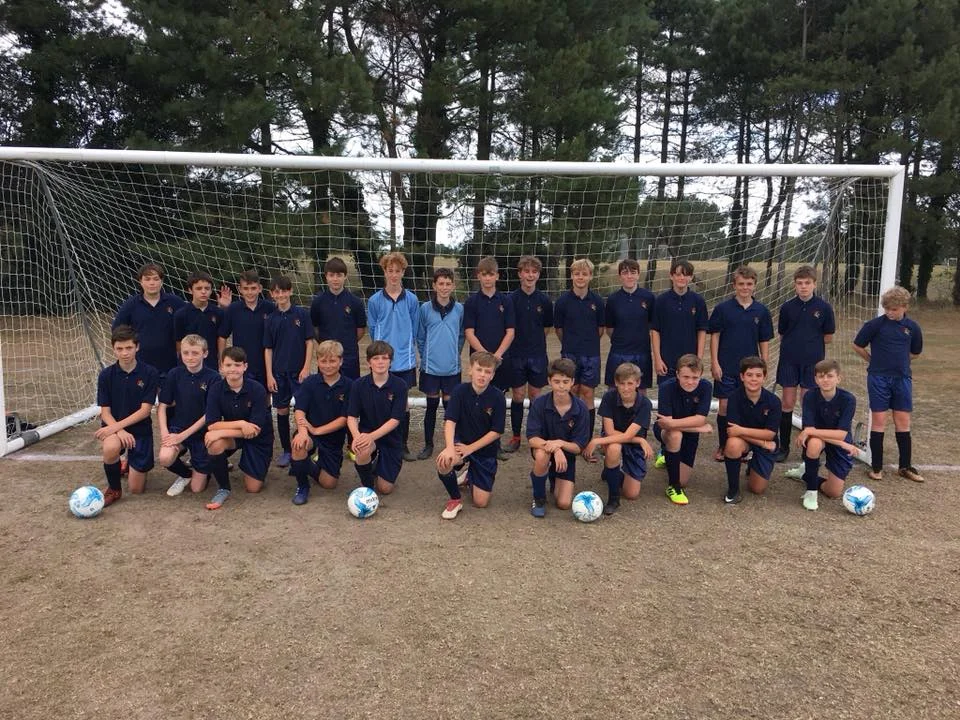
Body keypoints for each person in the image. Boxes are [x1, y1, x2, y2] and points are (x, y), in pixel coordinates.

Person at [852, 285, 924, 482]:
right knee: (879, 421)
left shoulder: (912, 328)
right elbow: (857, 345)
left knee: (903, 421)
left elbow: (915, 352)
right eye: (887, 309)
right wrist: (872, 360)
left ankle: (905, 467)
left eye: (894, 309)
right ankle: (877, 468)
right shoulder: (875, 325)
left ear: (905, 307)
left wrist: (900, 362)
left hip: (902, 379)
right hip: (878, 379)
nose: (890, 312)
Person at [708, 265, 774, 462]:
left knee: (747, 406)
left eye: (749, 284)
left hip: (750, 370)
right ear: (734, 285)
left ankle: (745, 447)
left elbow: (764, 340)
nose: (745, 287)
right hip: (726, 366)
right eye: (741, 284)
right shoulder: (722, 309)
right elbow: (715, 337)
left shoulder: (761, 311)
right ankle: (724, 445)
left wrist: (764, 364)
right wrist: (714, 362)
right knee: (725, 406)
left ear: (754, 285)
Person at [649, 259, 708, 468]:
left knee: (689, 406)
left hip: (690, 366)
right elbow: (655, 330)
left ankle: (684, 448)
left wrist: (698, 358)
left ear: (690, 277)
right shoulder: (661, 300)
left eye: (686, 274)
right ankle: (664, 448)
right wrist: (658, 358)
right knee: (668, 406)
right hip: (667, 362)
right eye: (678, 273)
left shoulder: (698, 301)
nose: (682, 277)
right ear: (671, 276)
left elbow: (702, 330)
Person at [775, 265, 835, 463]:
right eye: (799, 283)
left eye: (807, 283)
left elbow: (828, 337)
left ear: (814, 284)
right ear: (795, 285)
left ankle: (808, 447)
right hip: (789, 361)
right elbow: (782, 333)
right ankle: (783, 447)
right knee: (787, 402)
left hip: (812, 363)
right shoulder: (787, 307)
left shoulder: (824, 308)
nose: (803, 287)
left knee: (808, 403)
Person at [435, 351, 506, 520]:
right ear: (470, 370)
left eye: (487, 372)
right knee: (444, 461)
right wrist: (450, 448)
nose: (482, 375)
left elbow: (496, 431)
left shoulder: (498, 397)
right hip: (461, 444)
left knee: (480, 502)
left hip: (484, 450)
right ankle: (455, 499)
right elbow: (450, 421)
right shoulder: (459, 391)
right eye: (479, 369)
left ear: (492, 375)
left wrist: (471, 448)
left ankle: (470, 475)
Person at [95, 325, 160, 507]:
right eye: (120, 348)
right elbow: (105, 412)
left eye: (129, 348)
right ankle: (114, 489)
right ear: (113, 349)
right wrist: (119, 431)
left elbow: (145, 411)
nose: (124, 353)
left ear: (137, 347)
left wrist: (118, 428)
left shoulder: (150, 373)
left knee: (136, 489)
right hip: (114, 427)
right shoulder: (106, 375)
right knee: (110, 447)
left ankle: (130, 462)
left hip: (140, 430)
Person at [203, 347, 274, 510]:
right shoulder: (215, 389)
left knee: (253, 488)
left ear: (245, 366)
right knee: (214, 444)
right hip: (238, 434)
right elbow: (212, 424)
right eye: (228, 365)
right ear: (221, 367)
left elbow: (255, 429)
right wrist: (241, 423)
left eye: (237, 364)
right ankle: (223, 488)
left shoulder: (257, 389)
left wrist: (220, 432)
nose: (233, 369)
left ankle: (252, 465)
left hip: (259, 438)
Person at [366, 252, 419, 461]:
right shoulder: (375, 300)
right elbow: (372, 329)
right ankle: (381, 443)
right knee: (381, 401)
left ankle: (402, 445)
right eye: (390, 271)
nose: (394, 275)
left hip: (405, 361)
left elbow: (415, 329)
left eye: (398, 271)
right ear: (384, 272)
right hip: (382, 360)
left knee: (402, 404)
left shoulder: (412, 299)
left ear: (403, 272)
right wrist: (381, 354)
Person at [583, 362, 654, 515]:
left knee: (631, 494)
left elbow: (628, 435)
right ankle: (613, 499)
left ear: (638, 383)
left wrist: (596, 440)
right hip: (613, 439)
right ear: (616, 383)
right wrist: (640, 439)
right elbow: (609, 432)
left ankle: (611, 472)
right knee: (614, 448)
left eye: (630, 383)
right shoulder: (609, 397)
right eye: (622, 383)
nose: (626, 388)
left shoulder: (644, 403)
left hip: (633, 443)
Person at [525, 358, 591, 518]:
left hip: (567, 457)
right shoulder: (539, 403)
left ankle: (554, 478)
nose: (561, 386)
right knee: (542, 455)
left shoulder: (581, 408)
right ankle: (539, 498)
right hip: (544, 450)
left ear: (572, 382)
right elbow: (532, 439)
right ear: (549, 381)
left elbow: (578, 446)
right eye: (556, 381)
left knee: (563, 504)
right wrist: (555, 449)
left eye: (565, 382)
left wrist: (559, 444)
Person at [157, 334, 220, 497]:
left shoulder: (213, 378)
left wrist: (182, 436)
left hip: (202, 433)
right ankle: (186, 474)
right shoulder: (174, 374)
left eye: (195, 353)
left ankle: (205, 468)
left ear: (205, 353)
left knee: (197, 489)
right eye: (186, 353)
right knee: (165, 457)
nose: (190, 357)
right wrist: (165, 433)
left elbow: (209, 413)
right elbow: (162, 406)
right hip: (178, 428)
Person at [289, 340, 352, 505]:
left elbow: (344, 419)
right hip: (310, 433)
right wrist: (303, 432)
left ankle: (304, 464)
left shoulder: (349, 386)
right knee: (299, 444)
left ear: (341, 361)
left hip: (332, 438)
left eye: (332, 361)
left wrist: (317, 430)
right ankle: (303, 486)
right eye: (323, 361)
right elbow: (299, 410)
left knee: (329, 484)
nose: (328, 365)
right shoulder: (310, 382)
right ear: (317, 361)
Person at [553, 258, 605, 453]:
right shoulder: (562, 302)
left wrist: (587, 343)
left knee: (588, 393)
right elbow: (558, 330)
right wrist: (571, 345)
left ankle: (587, 439)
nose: (580, 277)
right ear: (572, 276)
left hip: (591, 354)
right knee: (571, 391)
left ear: (590, 276)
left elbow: (600, 330)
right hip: (569, 354)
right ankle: (569, 436)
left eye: (584, 274)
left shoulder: (597, 302)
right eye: (577, 274)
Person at [346, 340, 409, 496]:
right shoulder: (358, 385)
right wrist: (357, 437)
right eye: (375, 358)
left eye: (384, 358)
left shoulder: (400, 385)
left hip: (391, 438)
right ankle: (368, 487)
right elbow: (351, 416)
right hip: (367, 433)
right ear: (369, 362)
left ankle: (377, 468)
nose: (380, 362)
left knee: (385, 489)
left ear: (390, 361)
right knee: (362, 449)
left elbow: (395, 420)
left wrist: (371, 437)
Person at [264, 275, 314, 468]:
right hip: (279, 373)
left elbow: (309, 342)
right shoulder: (270, 319)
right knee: (282, 410)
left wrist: (306, 367)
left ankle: (308, 446)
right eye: (277, 292)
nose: (281, 295)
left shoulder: (302, 314)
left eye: (284, 291)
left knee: (303, 409)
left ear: (290, 291)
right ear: (272, 294)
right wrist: (269, 374)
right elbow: (268, 349)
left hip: (298, 372)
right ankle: (286, 450)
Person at [796, 359, 860, 511]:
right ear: (815, 379)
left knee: (833, 492)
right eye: (821, 376)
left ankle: (805, 474)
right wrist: (842, 443)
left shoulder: (848, 399)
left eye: (830, 376)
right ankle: (811, 492)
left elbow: (841, 434)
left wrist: (811, 431)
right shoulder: (810, 396)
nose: (825, 380)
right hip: (820, 440)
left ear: (838, 378)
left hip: (836, 439)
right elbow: (809, 429)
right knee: (814, 443)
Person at [415, 267, 465, 460]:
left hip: (451, 368)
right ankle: (428, 445)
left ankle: (452, 444)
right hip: (431, 368)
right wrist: (426, 356)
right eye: (441, 284)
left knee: (451, 408)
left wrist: (454, 353)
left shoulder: (459, 309)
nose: (444, 287)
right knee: (431, 406)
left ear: (453, 286)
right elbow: (420, 337)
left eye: (448, 284)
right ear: (434, 286)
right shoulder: (425, 309)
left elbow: (461, 335)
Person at [506, 255, 553, 453]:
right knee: (518, 395)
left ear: (538, 275)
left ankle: (535, 436)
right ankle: (516, 436)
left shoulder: (545, 300)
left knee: (535, 395)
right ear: (520, 274)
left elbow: (547, 328)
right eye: (526, 271)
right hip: (516, 354)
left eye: (534, 272)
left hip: (537, 355)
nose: (530, 275)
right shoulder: (510, 300)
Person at [653, 354, 714, 506]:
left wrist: (697, 424)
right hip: (666, 431)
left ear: (701, 375)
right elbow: (665, 424)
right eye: (686, 377)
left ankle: (667, 456)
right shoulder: (666, 387)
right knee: (675, 435)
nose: (690, 382)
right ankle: (674, 487)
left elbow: (700, 419)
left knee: (684, 480)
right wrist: (699, 428)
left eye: (695, 377)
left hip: (688, 433)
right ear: (677, 374)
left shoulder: (706, 387)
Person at [721, 356, 782, 504]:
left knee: (757, 489)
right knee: (733, 444)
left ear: (764, 377)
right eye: (749, 375)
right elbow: (732, 432)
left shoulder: (774, 401)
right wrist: (762, 443)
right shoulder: (734, 398)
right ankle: (733, 490)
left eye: (758, 375)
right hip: (752, 442)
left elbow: (770, 434)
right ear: (742, 377)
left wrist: (742, 431)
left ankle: (753, 464)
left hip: (765, 442)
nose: (754, 379)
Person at [112, 262, 185, 380]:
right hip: (140, 365)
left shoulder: (175, 302)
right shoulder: (131, 305)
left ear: (162, 281)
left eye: (156, 279)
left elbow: (189, 322)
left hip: (170, 365)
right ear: (140, 281)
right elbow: (117, 330)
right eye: (147, 279)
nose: (152, 283)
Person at [310, 257, 367, 381]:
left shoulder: (356, 302)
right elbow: (314, 328)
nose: (335, 279)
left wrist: (348, 342)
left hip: (349, 357)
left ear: (345, 276)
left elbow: (360, 330)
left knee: (350, 389)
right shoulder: (318, 302)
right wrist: (326, 345)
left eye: (339, 275)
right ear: (326, 276)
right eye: (331, 275)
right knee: (326, 388)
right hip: (326, 357)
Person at [603, 259, 656, 394]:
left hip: (642, 352)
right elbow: (609, 328)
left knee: (640, 391)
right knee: (614, 390)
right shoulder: (613, 299)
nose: (629, 276)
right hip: (619, 352)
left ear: (638, 274)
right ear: (619, 276)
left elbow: (652, 325)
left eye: (633, 272)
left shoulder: (649, 297)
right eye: (625, 273)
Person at [218, 269, 276, 387]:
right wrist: (222, 360)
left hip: (265, 364)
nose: (250, 292)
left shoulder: (270, 308)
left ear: (260, 288)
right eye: (246, 288)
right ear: (240, 289)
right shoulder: (233, 309)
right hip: (240, 363)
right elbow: (222, 336)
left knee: (264, 394)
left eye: (253, 288)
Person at [174, 270, 225, 371]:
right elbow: (179, 342)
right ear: (190, 290)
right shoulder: (181, 314)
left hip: (211, 364)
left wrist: (221, 359)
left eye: (207, 288)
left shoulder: (218, 313)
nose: (203, 291)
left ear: (211, 290)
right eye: (198, 288)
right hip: (188, 365)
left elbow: (221, 338)